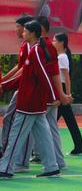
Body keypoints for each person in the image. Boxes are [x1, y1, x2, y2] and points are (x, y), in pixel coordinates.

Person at [0, 20, 61, 179]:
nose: (22, 33)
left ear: (32, 33)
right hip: (34, 102)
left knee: (16, 135)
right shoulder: (34, 51)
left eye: (25, 31)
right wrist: (4, 86)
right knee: (43, 135)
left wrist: (54, 96)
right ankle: (52, 167)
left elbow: (44, 75)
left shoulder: (35, 51)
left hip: (29, 102)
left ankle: (5, 169)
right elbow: (24, 76)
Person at [1, 15, 34, 155]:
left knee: (12, 118)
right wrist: (4, 81)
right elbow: (19, 66)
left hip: (26, 88)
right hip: (24, 87)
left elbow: (24, 70)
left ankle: (4, 149)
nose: (16, 30)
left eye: (18, 27)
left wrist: (5, 84)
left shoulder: (30, 46)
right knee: (39, 125)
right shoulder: (25, 45)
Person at [53, 33, 82, 156]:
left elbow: (66, 77)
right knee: (70, 121)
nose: (53, 42)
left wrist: (67, 94)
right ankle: (79, 147)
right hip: (61, 90)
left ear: (61, 43)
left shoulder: (62, 57)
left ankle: (37, 151)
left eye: (55, 41)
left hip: (62, 90)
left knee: (47, 122)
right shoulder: (61, 56)